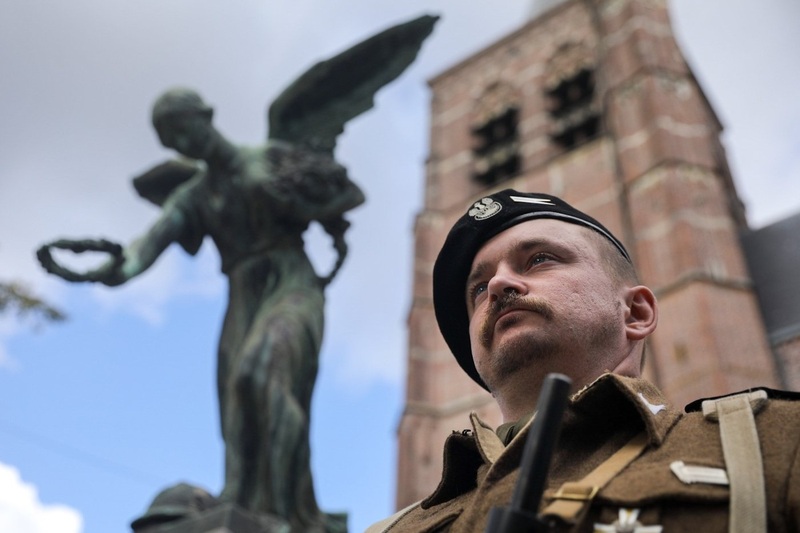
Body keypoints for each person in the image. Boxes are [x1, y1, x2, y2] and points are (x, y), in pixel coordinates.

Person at [370, 189, 800, 532]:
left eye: (539, 259)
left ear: (636, 313)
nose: (498, 283)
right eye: (478, 289)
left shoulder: (775, 440)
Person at [40, 88, 364, 533]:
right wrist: (105, 270)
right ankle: (245, 499)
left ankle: (287, 512)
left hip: (291, 283)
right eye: (168, 138)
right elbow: (140, 252)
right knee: (235, 410)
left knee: (260, 373)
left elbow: (341, 195)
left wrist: (313, 201)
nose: (177, 143)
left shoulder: (272, 156)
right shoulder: (193, 196)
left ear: (205, 116)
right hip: (242, 297)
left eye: (179, 128)